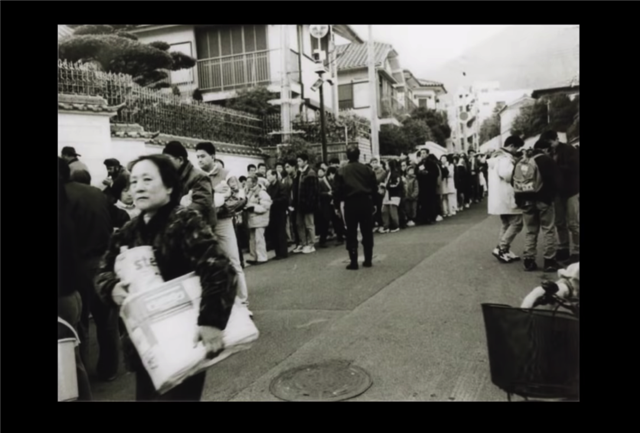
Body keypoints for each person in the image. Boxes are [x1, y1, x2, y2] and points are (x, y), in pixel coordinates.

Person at [95, 154, 237, 401]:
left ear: (169, 187)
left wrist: (211, 322)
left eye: (147, 179)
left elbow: (219, 269)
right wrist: (112, 287)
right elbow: (103, 270)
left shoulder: (185, 221)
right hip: (145, 345)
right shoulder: (129, 231)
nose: (138, 186)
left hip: (184, 339)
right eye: (135, 181)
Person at [61, 157, 119, 382]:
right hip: (104, 262)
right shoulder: (98, 194)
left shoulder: (65, 195)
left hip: (79, 265)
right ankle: (110, 368)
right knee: (107, 322)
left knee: (80, 322)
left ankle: (80, 372)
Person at [194, 142, 250, 309]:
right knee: (206, 265)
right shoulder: (196, 177)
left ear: (213, 156)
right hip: (203, 224)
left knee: (233, 261)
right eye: (197, 157)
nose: (200, 160)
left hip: (223, 222)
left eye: (203, 156)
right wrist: (214, 198)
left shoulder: (227, 175)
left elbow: (240, 198)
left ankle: (243, 303)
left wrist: (220, 206)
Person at [58, 160, 93, 400]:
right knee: (73, 353)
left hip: (62, 295)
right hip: (73, 291)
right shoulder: (66, 206)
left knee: (68, 358)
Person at [514, 140, 561, 272]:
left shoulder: (521, 161)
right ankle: (549, 261)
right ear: (545, 149)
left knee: (530, 230)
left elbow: (515, 182)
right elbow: (556, 181)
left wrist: (520, 201)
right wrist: (550, 197)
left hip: (526, 202)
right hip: (544, 201)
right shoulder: (547, 161)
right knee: (548, 230)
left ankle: (528, 261)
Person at [333, 146, 377, 270]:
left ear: (347, 156)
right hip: (366, 202)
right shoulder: (368, 169)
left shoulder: (341, 171)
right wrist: (374, 203)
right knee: (367, 231)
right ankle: (368, 259)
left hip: (350, 203)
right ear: (359, 155)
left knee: (351, 232)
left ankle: (353, 261)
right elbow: (374, 187)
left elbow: (337, 190)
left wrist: (337, 206)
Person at [541, 130, 579, 265]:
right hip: (557, 193)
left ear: (556, 139)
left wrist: (555, 167)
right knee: (559, 222)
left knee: (573, 223)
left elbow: (575, 167)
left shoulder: (569, 150)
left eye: (550, 142)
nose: (549, 146)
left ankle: (577, 251)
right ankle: (563, 249)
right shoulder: (549, 152)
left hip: (571, 191)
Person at [487, 136, 525, 263]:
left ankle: (504, 249)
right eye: (517, 147)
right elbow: (508, 175)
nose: (517, 150)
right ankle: (502, 248)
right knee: (517, 223)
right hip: (507, 196)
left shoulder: (495, 157)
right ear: (512, 146)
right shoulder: (505, 159)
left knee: (506, 224)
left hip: (499, 197)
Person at [163, 141, 216, 228]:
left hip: (199, 228)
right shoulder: (173, 177)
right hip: (182, 226)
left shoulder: (199, 177)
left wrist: (176, 216)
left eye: (168, 160)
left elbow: (202, 204)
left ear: (180, 160)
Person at [291, 153, 320, 254]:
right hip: (299, 204)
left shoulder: (310, 173)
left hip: (308, 204)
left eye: (300, 161)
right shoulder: (299, 173)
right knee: (299, 224)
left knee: (309, 225)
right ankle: (303, 244)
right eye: (298, 161)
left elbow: (313, 191)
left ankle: (312, 244)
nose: (298, 163)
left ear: (305, 161)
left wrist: (310, 204)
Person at [245, 175, 272, 265]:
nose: (247, 183)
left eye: (249, 182)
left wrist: (253, 208)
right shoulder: (249, 192)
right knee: (252, 239)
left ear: (254, 182)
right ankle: (254, 257)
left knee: (259, 239)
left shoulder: (262, 192)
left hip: (260, 218)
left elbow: (266, 206)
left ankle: (262, 257)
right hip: (252, 218)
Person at [265, 169, 289, 259]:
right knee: (274, 233)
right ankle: (277, 253)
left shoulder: (281, 186)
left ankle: (283, 253)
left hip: (280, 211)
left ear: (274, 175)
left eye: (269, 175)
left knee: (281, 232)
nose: (267, 177)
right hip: (272, 212)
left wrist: (273, 201)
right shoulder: (269, 187)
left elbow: (285, 198)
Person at [379, 159, 403, 233]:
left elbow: (398, 184)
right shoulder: (387, 173)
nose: (385, 166)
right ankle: (386, 226)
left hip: (394, 194)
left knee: (393, 211)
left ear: (390, 165)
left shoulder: (396, 174)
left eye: (386, 164)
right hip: (387, 194)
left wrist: (386, 185)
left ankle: (396, 226)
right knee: (384, 210)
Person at [326, 167, 346, 245]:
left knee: (338, 221)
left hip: (338, 203)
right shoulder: (343, 180)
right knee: (340, 221)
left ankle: (340, 238)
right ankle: (343, 236)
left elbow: (336, 193)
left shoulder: (336, 182)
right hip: (340, 203)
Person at [370, 158, 387, 231]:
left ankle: (381, 224)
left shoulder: (382, 171)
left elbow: (377, 179)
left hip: (379, 191)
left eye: (375, 162)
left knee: (379, 208)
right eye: (372, 162)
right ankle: (374, 224)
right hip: (372, 192)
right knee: (373, 209)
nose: (374, 164)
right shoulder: (370, 171)